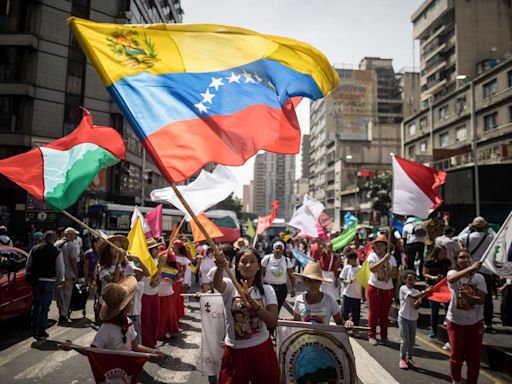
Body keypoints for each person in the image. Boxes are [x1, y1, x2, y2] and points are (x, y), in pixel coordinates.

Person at [213, 246, 279, 384]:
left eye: (252, 261)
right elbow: (218, 284)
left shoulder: (267, 290)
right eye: (243, 261)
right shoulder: (230, 287)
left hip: (262, 350)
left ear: (258, 266)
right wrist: (220, 268)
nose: (248, 265)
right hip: (235, 352)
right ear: (237, 266)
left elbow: (272, 322)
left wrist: (251, 301)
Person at [446, 249, 486, 384]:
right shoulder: (452, 273)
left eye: (467, 257)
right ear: (456, 261)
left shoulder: (479, 278)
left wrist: (468, 297)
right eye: (461, 258)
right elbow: (451, 279)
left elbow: (481, 300)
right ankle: (456, 380)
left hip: (475, 323)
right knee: (456, 355)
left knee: (473, 358)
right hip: (456, 322)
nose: (465, 260)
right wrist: (470, 269)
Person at [457, 216, 496, 332]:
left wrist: (468, 228)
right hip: (486, 270)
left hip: (471, 270)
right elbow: (497, 237)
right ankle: (488, 323)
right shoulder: (489, 237)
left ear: (474, 226)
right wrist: (489, 228)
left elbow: (459, 237)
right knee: (487, 297)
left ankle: (473, 320)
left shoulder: (467, 237)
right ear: (485, 226)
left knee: (471, 295)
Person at [26, 231, 65, 339]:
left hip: (36, 280)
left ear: (44, 238)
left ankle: (34, 329)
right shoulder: (57, 251)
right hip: (49, 281)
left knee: (36, 305)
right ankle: (42, 331)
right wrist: (60, 280)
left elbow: (28, 265)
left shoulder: (34, 249)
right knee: (45, 307)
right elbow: (60, 269)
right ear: (54, 239)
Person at [293, 262, 353, 328]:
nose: (313, 284)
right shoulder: (299, 300)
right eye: (309, 280)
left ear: (321, 282)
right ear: (304, 281)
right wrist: (282, 320)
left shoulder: (330, 300)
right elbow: (296, 321)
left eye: (316, 281)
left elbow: (339, 322)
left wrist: (347, 323)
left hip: (324, 337)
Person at [367, 235, 398, 346]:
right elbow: (372, 268)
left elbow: (394, 275)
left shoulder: (392, 258)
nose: (379, 247)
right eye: (377, 245)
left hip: (388, 288)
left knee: (384, 314)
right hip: (375, 287)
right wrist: (383, 260)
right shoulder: (372, 256)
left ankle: (384, 336)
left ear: (386, 246)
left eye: (381, 245)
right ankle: (371, 335)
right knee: (373, 313)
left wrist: (389, 268)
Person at [398, 270, 431, 370]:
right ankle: (402, 358)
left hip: (413, 319)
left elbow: (416, 306)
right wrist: (425, 292)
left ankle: (410, 358)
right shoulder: (403, 288)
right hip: (403, 318)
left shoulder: (417, 291)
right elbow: (413, 296)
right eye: (409, 279)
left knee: (412, 341)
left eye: (413, 279)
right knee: (405, 340)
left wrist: (420, 299)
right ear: (404, 280)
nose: (411, 281)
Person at [423, 245, 452, 338]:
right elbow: (425, 273)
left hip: (445, 289)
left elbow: (451, 273)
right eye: (442, 253)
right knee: (434, 311)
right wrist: (433, 277)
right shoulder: (429, 262)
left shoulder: (447, 262)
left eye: (445, 253)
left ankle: (448, 325)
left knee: (448, 307)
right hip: (433, 288)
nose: (444, 255)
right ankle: (433, 330)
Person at [141, 238, 164, 348]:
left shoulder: (155, 260)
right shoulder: (145, 262)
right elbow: (153, 282)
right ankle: (148, 344)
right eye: (156, 248)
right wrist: (160, 265)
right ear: (151, 250)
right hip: (145, 295)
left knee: (155, 319)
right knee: (146, 321)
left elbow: (158, 280)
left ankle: (152, 342)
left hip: (155, 294)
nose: (159, 249)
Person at [261, 240, 295, 314]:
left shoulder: (286, 260)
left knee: (277, 309)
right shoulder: (267, 259)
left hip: (281, 289)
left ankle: (274, 323)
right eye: (277, 248)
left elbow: (292, 275)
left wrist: (293, 288)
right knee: (268, 308)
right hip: (268, 288)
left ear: (283, 250)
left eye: (280, 249)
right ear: (273, 249)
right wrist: (260, 286)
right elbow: (261, 273)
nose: (278, 250)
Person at [56, 227, 80, 323]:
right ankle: (63, 314)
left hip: (57, 273)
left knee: (59, 294)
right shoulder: (72, 246)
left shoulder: (56, 244)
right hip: (68, 274)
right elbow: (73, 261)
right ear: (70, 235)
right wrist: (76, 274)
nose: (76, 236)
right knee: (67, 294)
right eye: (74, 234)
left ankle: (61, 311)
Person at [340, 251, 362, 327]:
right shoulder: (346, 268)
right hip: (347, 294)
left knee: (356, 314)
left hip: (357, 295)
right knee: (344, 313)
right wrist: (346, 281)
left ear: (353, 259)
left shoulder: (360, 269)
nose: (348, 261)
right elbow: (341, 278)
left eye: (349, 259)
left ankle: (355, 329)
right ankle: (343, 327)